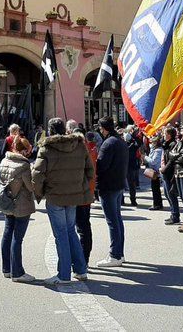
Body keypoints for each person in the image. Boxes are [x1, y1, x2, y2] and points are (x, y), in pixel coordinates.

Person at [33, 118, 93, 284]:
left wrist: (40, 193)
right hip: (74, 195)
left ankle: (63, 274)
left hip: (56, 195)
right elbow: (90, 170)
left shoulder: (46, 148)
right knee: (70, 231)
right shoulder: (79, 144)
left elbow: (37, 175)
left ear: (50, 130)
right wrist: (80, 185)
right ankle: (81, 269)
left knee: (61, 234)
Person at [0, 136, 36, 282]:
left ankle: (6, 268)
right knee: (17, 238)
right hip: (21, 203)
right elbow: (30, 186)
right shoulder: (24, 165)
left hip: (7, 201)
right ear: (24, 151)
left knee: (7, 233)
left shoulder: (4, 161)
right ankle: (17, 272)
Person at [94, 116, 128, 268]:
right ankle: (119, 253)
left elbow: (101, 166)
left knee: (112, 221)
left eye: (100, 128)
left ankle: (115, 254)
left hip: (108, 186)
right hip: (118, 184)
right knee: (117, 220)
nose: (100, 131)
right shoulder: (120, 141)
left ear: (104, 128)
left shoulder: (108, 143)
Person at [77, 130, 100, 263]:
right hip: (88, 192)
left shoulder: (82, 153)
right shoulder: (91, 150)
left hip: (81, 194)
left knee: (82, 228)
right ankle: (84, 259)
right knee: (84, 227)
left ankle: (82, 260)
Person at [160, 126, 181, 225]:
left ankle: (175, 215)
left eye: (164, 133)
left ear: (169, 135)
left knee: (171, 194)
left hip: (169, 173)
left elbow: (171, 160)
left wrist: (164, 169)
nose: (163, 135)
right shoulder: (167, 143)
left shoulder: (173, 144)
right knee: (167, 194)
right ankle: (173, 213)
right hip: (165, 173)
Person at [144, 136, 164, 211]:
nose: (151, 144)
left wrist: (146, 157)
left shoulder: (158, 151)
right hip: (155, 171)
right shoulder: (155, 150)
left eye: (152, 142)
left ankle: (157, 204)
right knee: (155, 189)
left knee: (155, 189)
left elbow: (153, 161)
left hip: (155, 172)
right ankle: (158, 203)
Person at [123, 131, 141, 206]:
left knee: (123, 184)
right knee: (132, 184)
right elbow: (138, 143)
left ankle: (122, 200)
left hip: (125, 166)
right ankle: (133, 200)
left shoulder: (124, 145)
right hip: (132, 166)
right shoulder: (133, 145)